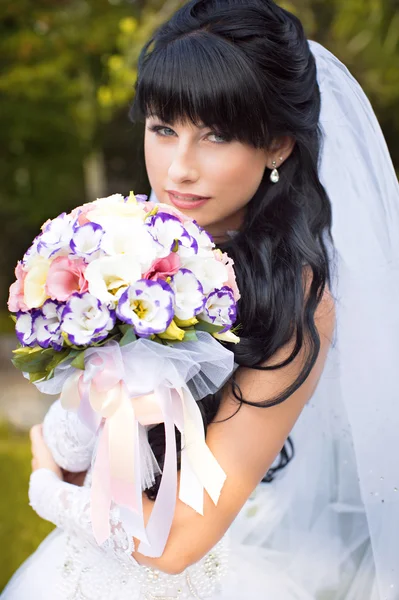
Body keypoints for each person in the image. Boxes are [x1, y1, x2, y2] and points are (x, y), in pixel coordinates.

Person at [2, 0, 399, 598]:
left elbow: (181, 540)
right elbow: (99, 452)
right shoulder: (124, 250)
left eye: (216, 135)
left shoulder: (293, 296)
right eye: (164, 128)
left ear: (278, 147)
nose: (178, 169)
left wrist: (48, 487)